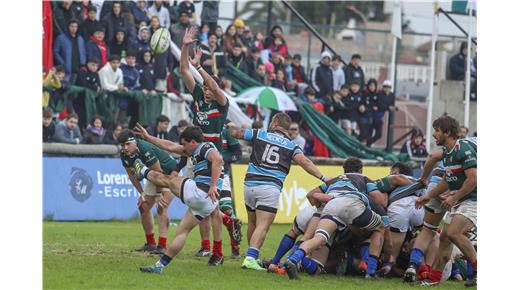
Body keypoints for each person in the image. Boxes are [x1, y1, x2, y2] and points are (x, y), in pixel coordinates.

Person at [227, 112, 326, 270]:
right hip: (269, 187)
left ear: (274, 123)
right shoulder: (291, 145)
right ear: (286, 128)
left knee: (252, 222)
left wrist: (225, 127)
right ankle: (251, 258)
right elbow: (304, 162)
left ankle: (251, 256)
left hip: (249, 185)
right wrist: (323, 177)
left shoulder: (260, 133)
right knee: (263, 225)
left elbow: (237, 133)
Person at [180, 27, 242, 258]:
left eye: (209, 89)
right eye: (204, 88)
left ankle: (232, 242)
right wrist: (185, 46)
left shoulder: (222, 104)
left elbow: (214, 86)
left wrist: (199, 67)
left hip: (213, 158)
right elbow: (183, 70)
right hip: (197, 157)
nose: (207, 91)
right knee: (201, 206)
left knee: (221, 204)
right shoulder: (198, 98)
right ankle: (207, 246)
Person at [284, 157, 388, 279]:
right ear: (361, 170)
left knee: (319, 238)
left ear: (343, 169)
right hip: (351, 204)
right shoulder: (364, 179)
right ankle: (370, 272)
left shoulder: (334, 180)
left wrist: (319, 208)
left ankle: (293, 259)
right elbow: (380, 200)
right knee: (378, 229)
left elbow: (311, 195)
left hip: (328, 206)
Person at [415, 116, 477, 287]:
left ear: (447, 132)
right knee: (444, 240)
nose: (434, 134)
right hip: (462, 199)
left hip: (474, 199)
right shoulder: (448, 153)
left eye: (437, 130)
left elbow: (473, 179)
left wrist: (453, 197)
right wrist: (429, 195)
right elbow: (447, 180)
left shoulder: (462, 149)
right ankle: (434, 278)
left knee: (452, 233)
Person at [116, 129, 178, 255]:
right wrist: (142, 194)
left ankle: (162, 245)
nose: (125, 148)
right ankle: (150, 244)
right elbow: (132, 176)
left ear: (135, 142)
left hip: (169, 174)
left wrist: (159, 195)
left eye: (127, 144)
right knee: (143, 207)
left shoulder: (144, 148)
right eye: (122, 145)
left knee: (161, 206)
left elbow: (159, 172)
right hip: (152, 175)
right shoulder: (124, 154)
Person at [368, 80, 396, 147]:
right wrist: (388, 107)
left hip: (380, 116)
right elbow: (379, 104)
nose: (387, 89)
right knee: (369, 132)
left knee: (379, 134)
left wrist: (391, 107)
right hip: (373, 115)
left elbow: (391, 105)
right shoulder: (379, 94)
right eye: (385, 87)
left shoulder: (392, 95)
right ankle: (367, 145)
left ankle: (368, 143)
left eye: (388, 87)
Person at [118, 51, 140, 126]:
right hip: (117, 101)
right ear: (125, 59)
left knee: (125, 124)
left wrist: (128, 89)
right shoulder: (120, 69)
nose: (131, 60)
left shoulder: (136, 72)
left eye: (133, 58)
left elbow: (135, 86)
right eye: (129, 58)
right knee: (115, 123)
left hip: (129, 103)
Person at [359, 78, 377, 144]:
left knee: (369, 134)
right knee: (363, 133)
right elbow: (361, 104)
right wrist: (362, 106)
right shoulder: (364, 93)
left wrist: (370, 107)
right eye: (370, 86)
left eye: (373, 86)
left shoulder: (376, 95)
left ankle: (367, 148)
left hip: (371, 116)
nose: (372, 87)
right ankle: (357, 145)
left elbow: (376, 106)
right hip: (363, 116)